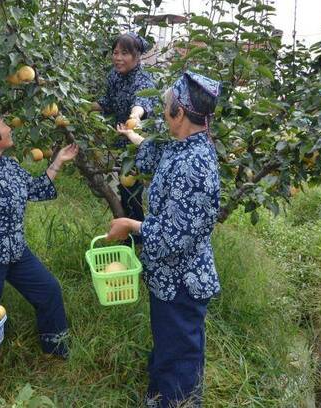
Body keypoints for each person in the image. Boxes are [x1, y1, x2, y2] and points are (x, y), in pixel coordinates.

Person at [105, 72, 223, 407]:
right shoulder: (187, 146)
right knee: (169, 347)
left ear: (180, 113)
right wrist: (131, 134)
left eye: (166, 104)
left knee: (180, 357)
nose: (163, 108)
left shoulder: (196, 166)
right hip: (169, 278)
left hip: (182, 282)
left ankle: (176, 401)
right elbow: (160, 156)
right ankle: (159, 397)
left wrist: (130, 224)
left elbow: (174, 236)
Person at [0, 108, 79, 398]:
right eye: (2, 123)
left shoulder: (9, 165)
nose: (9, 126)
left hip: (15, 253)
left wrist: (57, 162)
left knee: (49, 289)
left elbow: (36, 189)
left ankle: (55, 347)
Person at [92, 32, 158, 242]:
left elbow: (141, 103)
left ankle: (138, 241)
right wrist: (83, 107)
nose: (118, 58)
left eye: (124, 53)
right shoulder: (114, 75)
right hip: (122, 138)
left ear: (137, 56)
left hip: (139, 142)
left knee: (132, 193)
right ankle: (128, 236)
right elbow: (107, 103)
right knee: (122, 189)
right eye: (115, 52)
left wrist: (135, 116)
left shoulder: (144, 78)